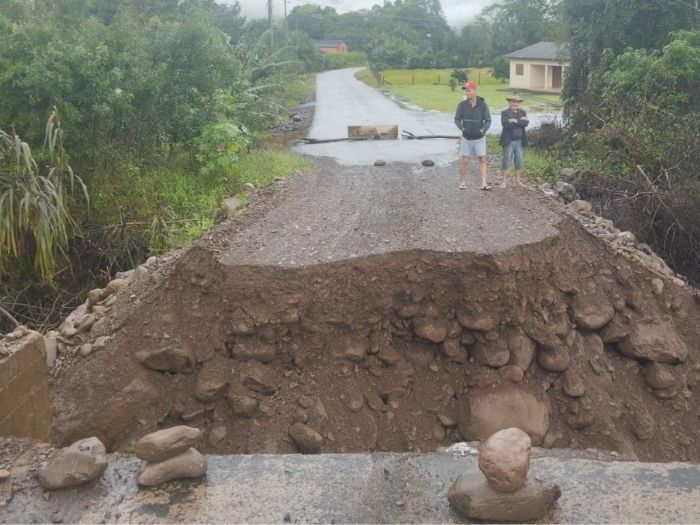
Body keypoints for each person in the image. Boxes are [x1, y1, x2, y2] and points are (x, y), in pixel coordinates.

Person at [454, 81, 492, 190]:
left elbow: (488, 120)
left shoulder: (483, 105)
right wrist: (462, 129)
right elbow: (457, 119)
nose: (467, 93)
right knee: (465, 160)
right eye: (466, 91)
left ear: (475, 91)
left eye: (469, 90)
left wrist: (483, 130)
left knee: (482, 159)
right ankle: (462, 182)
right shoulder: (462, 105)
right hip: (466, 137)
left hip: (479, 137)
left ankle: (483, 183)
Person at [498, 95, 529, 188]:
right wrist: (519, 122)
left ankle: (517, 181)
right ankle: (504, 181)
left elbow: (526, 123)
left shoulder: (522, 112)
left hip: (520, 141)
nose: (515, 103)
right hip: (509, 141)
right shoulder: (505, 113)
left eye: (516, 102)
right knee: (506, 160)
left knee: (519, 160)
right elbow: (505, 124)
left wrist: (515, 121)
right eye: (513, 101)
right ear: (509, 102)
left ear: (519, 103)